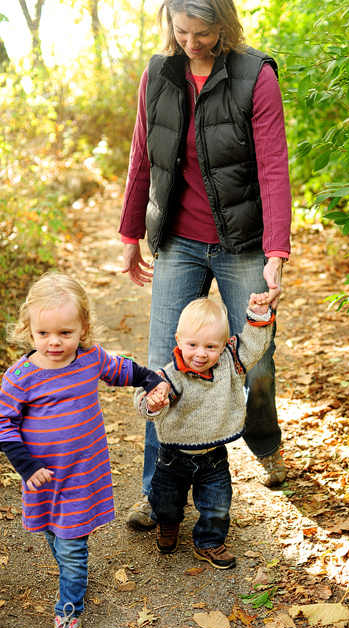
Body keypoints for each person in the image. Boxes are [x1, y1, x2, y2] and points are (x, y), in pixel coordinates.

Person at [118, 0, 292, 532]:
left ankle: (265, 446)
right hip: (178, 240)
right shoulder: (159, 74)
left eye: (202, 32)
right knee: (161, 366)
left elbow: (273, 166)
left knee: (254, 360)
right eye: (181, 30)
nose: (190, 42)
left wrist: (277, 253)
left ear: (223, 24)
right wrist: (130, 233)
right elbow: (142, 155)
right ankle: (156, 490)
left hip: (243, 243)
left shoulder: (254, 76)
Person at [0, 273, 169, 628]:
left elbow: (123, 369)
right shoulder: (20, 378)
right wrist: (25, 466)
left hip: (82, 475)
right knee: (54, 537)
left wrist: (150, 380)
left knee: (72, 549)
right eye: (43, 333)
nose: (54, 342)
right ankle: (72, 577)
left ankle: (68, 614)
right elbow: (4, 423)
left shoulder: (91, 359)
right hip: (42, 480)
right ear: (29, 329)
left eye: (65, 332)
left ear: (83, 327)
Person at [135, 294, 275, 570]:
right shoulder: (169, 376)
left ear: (223, 345)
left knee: (217, 505)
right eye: (193, 345)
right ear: (178, 340)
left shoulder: (230, 362)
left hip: (213, 456)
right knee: (165, 502)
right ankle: (168, 524)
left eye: (211, 346)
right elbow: (145, 396)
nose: (201, 353)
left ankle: (209, 541)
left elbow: (254, 346)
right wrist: (152, 402)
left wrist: (258, 315)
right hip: (173, 457)